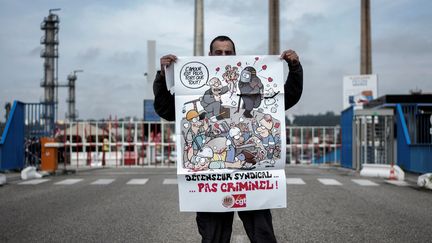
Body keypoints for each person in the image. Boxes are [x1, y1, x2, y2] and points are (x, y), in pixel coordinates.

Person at [153, 35, 303, 243]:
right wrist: (162, 77)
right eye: (218, 52)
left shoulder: (250, 82)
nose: (223, 56)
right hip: (214, 179)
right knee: (213, 237)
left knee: (263, 235)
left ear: (234, 55)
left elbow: (288, 96)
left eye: (228, 52)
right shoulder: (196, 87)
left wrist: (294, 68)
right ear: (210, 54)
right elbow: (166, 110)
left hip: (252, 180)